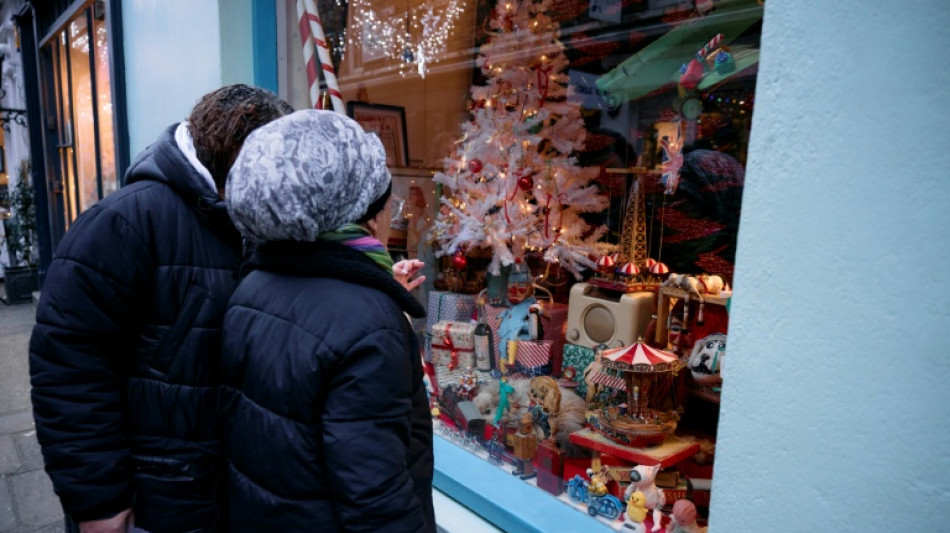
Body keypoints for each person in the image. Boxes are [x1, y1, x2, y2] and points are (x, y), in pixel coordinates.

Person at [29, 84, 295, 533]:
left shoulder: (258, 222)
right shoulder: (124, 223)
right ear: (237, 155)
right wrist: (99, 502)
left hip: (226, 491)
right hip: (152, 495)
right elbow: (69, 370)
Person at [220, 109, 434, 532]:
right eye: (388, 199)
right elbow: (375, 496)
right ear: (367, 213)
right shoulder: (370, 323)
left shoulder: (253, 284)